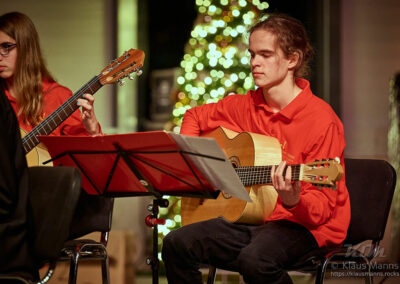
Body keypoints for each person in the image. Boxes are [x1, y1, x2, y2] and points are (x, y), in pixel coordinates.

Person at [162, 14, 351, 284]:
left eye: (265, 55)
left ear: (293, 60)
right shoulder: (245, 105)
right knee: (176, 243)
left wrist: (293, 199)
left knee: (256, 261)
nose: (254, 63)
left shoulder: (322, 120)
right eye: (252, 54)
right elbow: (194, 116)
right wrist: (194, 165)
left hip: (306, 226)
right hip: (254, 218)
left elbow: (321, 211)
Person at [0, 11, 101, 142]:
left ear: (26, 48)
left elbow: (85, 155)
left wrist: (93, 131)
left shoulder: (58, 97)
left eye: (6, 47)